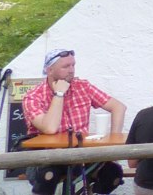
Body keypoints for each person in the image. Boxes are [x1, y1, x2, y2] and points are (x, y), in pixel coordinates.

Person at [23, 49, 129, 195]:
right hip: (47, 157)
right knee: (48, 176)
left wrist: (113, 142)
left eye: (73, 65)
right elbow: (50, 128)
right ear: (49, 70)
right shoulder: (33, 97)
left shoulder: (83, 86)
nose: (71, 70)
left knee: (113, 174)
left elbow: (118, 107)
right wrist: (59, 94)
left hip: (81, 155)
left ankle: (91, 192)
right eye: (65, 67)